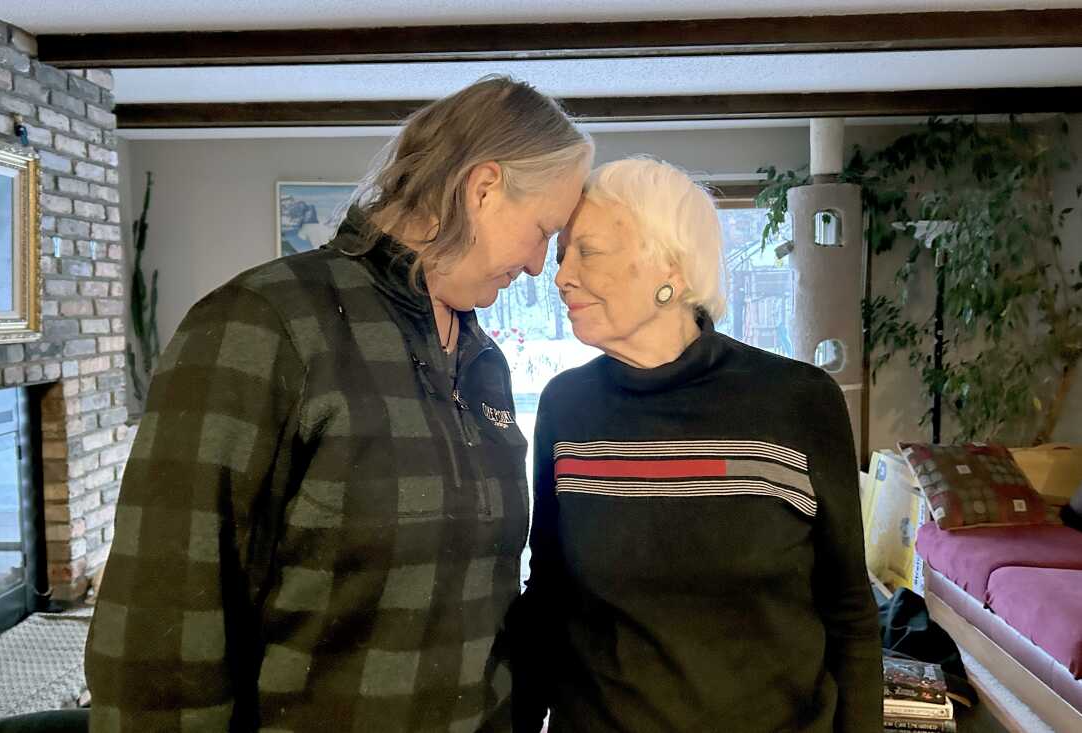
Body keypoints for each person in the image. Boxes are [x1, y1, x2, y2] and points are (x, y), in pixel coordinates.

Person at [85, 76, 592, 732]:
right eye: (541, 230)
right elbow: (160, 638)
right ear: (484, 187)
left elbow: (486, 604)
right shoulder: (262, 325)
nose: (536, 265)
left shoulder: (484, 361)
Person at [509, 158, 882, 732]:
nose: (560, 276)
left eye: (587, 251)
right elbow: (550, 594)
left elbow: (849, 610)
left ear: (672, 268)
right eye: (561, 255)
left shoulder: (799, 401)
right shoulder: (567, 406)